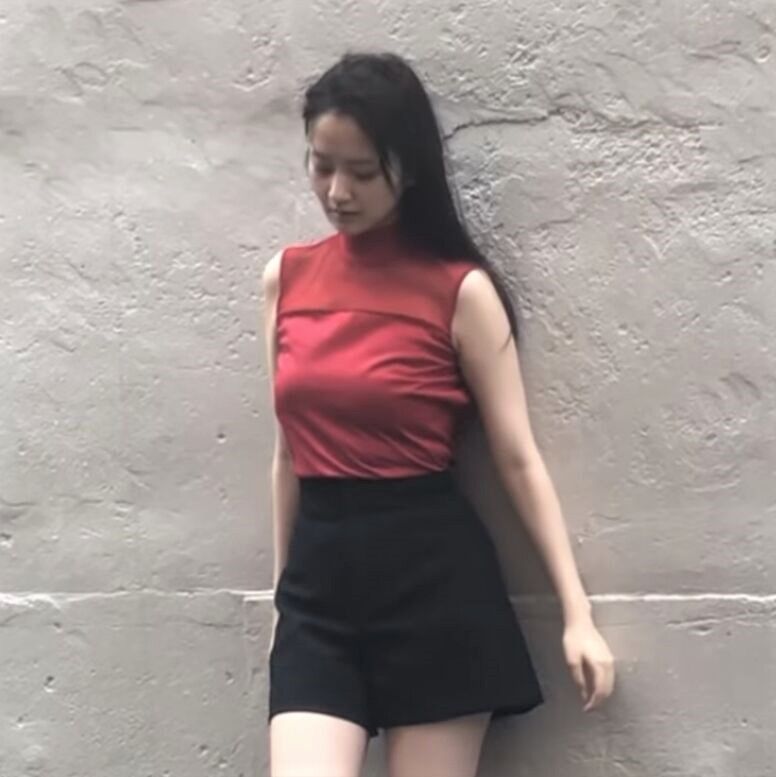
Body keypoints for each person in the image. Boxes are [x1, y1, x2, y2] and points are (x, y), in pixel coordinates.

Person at [261, 50, 615, 777]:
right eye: (322, 166)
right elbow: (288, 454)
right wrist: (280, 598)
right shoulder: (286, 278)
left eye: (363, 172)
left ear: (410, 167)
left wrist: (576, 612)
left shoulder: (461, 291)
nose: (337, 191)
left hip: (433, 582)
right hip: (317, 590)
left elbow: (517, 458)